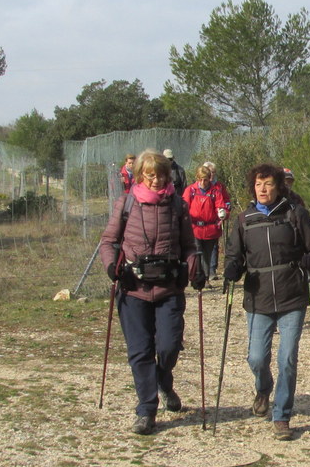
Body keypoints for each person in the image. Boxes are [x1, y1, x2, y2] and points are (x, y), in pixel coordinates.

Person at [99, 150, 205, 435]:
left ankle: (164, 381)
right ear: (140, 176)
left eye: (161, 174)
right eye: (150, 175)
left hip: (169, 288)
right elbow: (108, 241)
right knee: (140, 351)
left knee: (169, 347)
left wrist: (196, 269)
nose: (156, 180)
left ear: (168, 175)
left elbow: (189, 246)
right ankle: (147, 410)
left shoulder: (178, 207)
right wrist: (111, 266)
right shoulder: (127, 203)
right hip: (133, 289)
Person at [223, 164, 310, 440]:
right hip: (258, 298)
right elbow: (234, 256)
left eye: (268, 184)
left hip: (293, 295)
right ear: (252, 187)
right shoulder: (245, 219)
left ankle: (282, 415)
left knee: (287, 358)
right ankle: (263, 388)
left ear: (279, 186)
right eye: (258, 184)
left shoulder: (295, 214)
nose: (263, 189)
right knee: (256, 358)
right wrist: (233, 268)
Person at [182, 164, 230, 284]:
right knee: (198, 253)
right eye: (200, 179)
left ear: (210, 179)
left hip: (211, 229)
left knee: (207, 255)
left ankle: (207, 277)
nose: (203, 182)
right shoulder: (191, 190)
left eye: (205, 179)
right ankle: (198, 277)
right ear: (197, 178)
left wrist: (223, 212)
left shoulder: (215, 191)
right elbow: (184, 206)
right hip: (195, 228)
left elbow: (221, 205)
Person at [203, 161, 231, 279]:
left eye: (214, 172)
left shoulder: (219, 186)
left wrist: (225, 211)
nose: (212, 175)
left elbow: (227, 200)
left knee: (214, 245)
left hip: (216, 221)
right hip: (202, 222)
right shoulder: (200, 186)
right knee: (201, 247)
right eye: (210, 172)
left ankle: (212, 270)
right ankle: (203, 271)